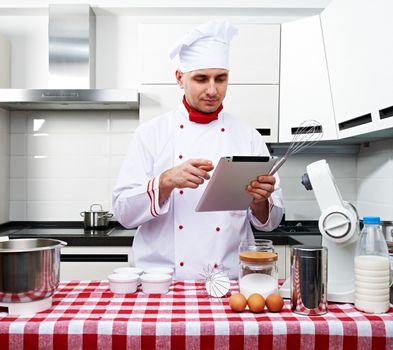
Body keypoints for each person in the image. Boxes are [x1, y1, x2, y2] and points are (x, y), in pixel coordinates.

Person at [112, 20, 283, 280]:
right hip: (162, 280)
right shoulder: (150, 134)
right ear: (180, 78)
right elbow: (123, 213)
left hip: (228, 279)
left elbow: (270, 222)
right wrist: (166, 181)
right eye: (201, 79)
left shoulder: (248, 136)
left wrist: (260, 201)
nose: (213, 90)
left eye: (221, 79)